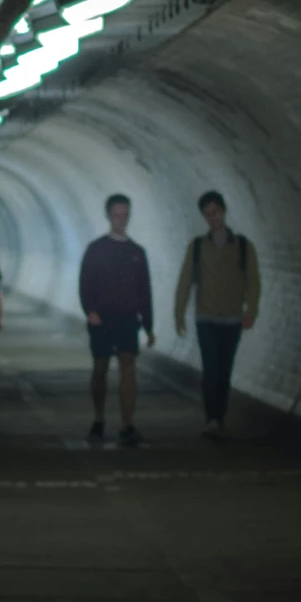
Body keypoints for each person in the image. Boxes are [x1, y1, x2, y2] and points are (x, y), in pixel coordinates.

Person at [172, 189, 262, 440]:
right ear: (204, 216)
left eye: (216, 212)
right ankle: (211, 417)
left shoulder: (243, 247)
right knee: (210, 368)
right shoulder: (198, 247)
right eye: (208, 214)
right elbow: (185, 280)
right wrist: (179, 313)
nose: (213, 217)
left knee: (224, 370)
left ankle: (219, 415)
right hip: (207, 318)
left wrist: (251, 310)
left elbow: (253, 281)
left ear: (224, 212)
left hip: (232, 319)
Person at [77, 193, 155, 445]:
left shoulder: (136, 252)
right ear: (109, 216)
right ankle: (98, 418)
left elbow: (144, 291)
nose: (121, 219)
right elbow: (85, 283)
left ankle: (127, 424)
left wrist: (148, 325)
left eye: (125, 215)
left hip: (126, 319)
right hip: (101, 318)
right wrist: (90, 310)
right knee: (100, 369)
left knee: (128, 368)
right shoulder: (96, 249)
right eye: (117, 214)